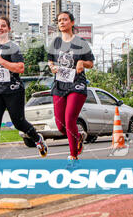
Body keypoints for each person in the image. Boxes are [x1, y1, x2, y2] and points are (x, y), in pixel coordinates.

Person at [0, 16, 47, 159]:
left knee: (19, 123)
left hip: (13, 90)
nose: (0, 28)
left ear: (9, 29)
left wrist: (2, 61)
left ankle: (37, 139)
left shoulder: (14, 47)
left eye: (3, 26)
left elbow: (20, 68)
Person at [47, 11, 94, 162]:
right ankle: (78, 137)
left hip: (77, 84)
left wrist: (82, 63)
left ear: (72, 23)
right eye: (59, 20)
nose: (61, 22)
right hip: (59, 84)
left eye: (65, 20)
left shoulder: (81, 43)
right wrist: (52, 67)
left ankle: (73, 156)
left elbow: (91, 63)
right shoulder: (55, 43)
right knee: (61, 125)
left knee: (69, 120)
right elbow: (50, 61)